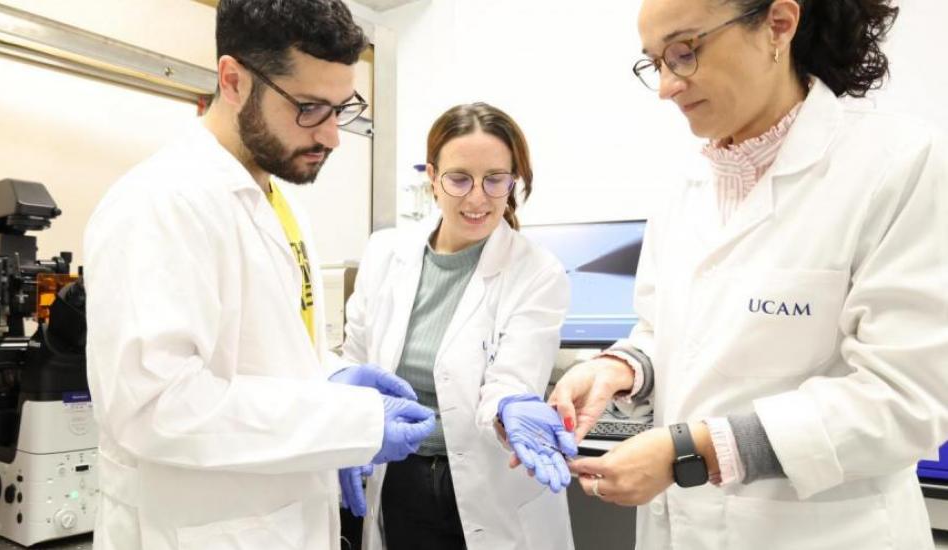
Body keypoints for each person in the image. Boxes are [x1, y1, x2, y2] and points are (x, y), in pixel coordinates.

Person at [519, 1, 948, 549]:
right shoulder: (686, 186)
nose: (666, 87)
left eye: (684, 52)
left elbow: (904, 398)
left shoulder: (897, 163)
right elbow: (667, 332)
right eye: (655, 62)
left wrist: (692, 451)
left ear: (778, 25)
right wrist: (618, 369)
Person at [83, 1, 435, 549]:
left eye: (341, 108)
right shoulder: (161, 203)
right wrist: (346, 423)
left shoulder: (273, 197)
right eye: (311, 108)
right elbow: (157, 407)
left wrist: (331, 378)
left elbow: (265, 353)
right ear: (233, 80)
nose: (333, 136)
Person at [339, 102, 577, 550]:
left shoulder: (537, 271)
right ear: (432, 177)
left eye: (495, 180)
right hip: (400, 479)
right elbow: (356, 362)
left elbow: (511, 379)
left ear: (513, 182)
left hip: (490, 484)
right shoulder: (385, 253)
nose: (477, 197)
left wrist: (511, 407)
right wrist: (346, 428)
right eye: (459, 178)